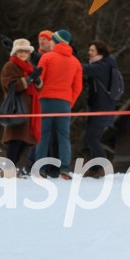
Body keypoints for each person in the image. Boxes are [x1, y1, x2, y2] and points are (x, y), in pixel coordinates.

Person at [35, 29, 83, 179]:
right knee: (64, 137)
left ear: (54, 41)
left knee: (43, 135)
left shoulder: (47, 58)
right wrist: (69, 102)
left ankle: (40, 168)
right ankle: (65, 168)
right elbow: (78, 87)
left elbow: (38, 81)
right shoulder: (76, 62)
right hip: (64, 103)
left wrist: (39, 97)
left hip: (45, 101)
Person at [0, 38, 43, 177]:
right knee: (15, 141)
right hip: (17, 108)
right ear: (15, 52)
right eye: (21, 51)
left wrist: (37, 81)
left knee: (24, 142)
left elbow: (39, 89)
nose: (24, 54)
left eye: (26, 51)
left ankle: (12, 169)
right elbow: (9, 85)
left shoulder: (29, 66)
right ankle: (8, 171)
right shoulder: (9, 65)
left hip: (30, 108)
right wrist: (28, 80)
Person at [82, 40, 119, 178]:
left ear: (100, 52)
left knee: (91, 137)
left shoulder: (103, 65)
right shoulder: (104, 64)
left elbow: (84, 69)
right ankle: (95, 169)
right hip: (97, 107)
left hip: (102, 108)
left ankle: (103, 166)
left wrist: (68, 62)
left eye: (92, 50)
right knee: (93, 137)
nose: (89, 53)